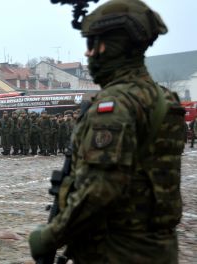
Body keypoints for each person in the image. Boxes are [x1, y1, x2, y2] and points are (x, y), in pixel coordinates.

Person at [29, 1, 184, 263]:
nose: (89, 55)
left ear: (112, 46)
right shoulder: (164, 98)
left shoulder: (115, 105)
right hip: (157, 247)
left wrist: (49, 236)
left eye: (92, 44)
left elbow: (99, 191)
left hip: (116, 249)